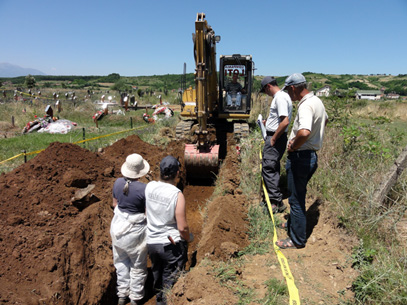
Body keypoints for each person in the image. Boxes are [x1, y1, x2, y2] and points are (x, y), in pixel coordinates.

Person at [275, 73, 328, 249]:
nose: (289, 97)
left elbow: (304, 132)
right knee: (296, 195)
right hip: (310, 156)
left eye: (289, 92)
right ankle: (292, 225)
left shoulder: (305, 106)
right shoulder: (317, 102)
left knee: (296, 200)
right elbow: (325, 120)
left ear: (293, 88)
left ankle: (297, 240)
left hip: (301, 157)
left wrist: (294, 146)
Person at [145, 156, 192, 305]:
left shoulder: (150, 187)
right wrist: (188, 238)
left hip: (152, 242)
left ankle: (160, 301)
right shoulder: (176, 195)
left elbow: (147, 212)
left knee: (157, 276)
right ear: (177, 173)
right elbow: (182, 227)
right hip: (170, 245)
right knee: (171, 281)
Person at [110, 153, 150, 305]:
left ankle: (122, 294)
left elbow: (115, 205)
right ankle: (135, 297)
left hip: (117, 229)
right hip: (135, 233)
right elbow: (147, 214)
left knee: (120, 262)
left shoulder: (118, 183)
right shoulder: (144, 189)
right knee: (137, 266)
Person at [259, 76, 292, 214]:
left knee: (268, 167)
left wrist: (273, 139)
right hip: (275, 135)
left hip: (275, 138)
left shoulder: (280, 98)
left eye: (265, 91)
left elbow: (285, 122)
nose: (266, 93)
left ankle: (276, 202)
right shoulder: (282, 97)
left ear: (268, 87)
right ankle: (273, 199)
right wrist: (268, 123)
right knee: (272, 166)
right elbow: (279, 119)